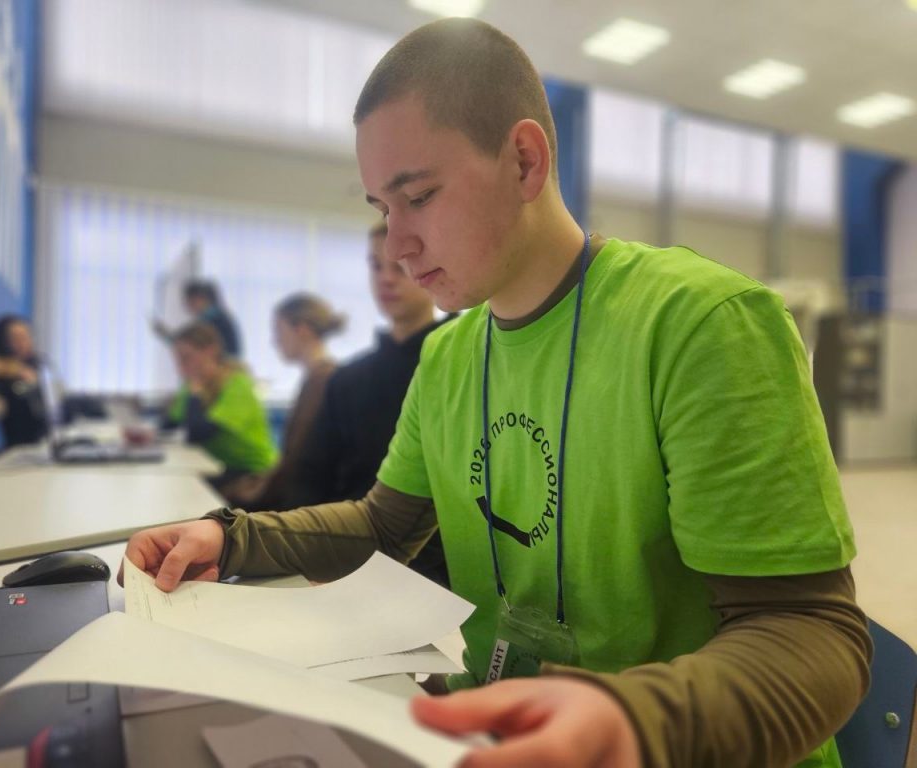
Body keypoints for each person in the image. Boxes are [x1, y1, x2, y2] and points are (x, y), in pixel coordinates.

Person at [124, 18, 870, 768]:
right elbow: (384, 525)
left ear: (524, 161)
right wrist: (235, 538)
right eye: (383, 210)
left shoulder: (700, 324)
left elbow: (813, 635)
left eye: (419, 196)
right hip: (486, 734)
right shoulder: (448, 354)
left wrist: (635, 723)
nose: (397, 246)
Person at [286, 221, 454, 585]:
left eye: (399, 265)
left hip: (434, 576)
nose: (386, 279)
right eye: (376, 266)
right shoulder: (347, 379)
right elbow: (313, 480)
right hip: (342, 557)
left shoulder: (460, 366)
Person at [225, 292, 345, 510]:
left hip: (303, 505)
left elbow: (296, 461)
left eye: (279, 331)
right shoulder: (320, 376)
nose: (275, 341)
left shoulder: (321, 380)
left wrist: (249, 493)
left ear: (302, 330)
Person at [164, 323, 277, 480]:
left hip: (253, 473)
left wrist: (195, 393)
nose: (180, 368)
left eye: (186, 358)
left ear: (211, 351)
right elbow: (169, 424)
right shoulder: (193, 383)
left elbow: (197, 433)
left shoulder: (237, 385)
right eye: (177, 360)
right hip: (219, 466)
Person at [0, 314, 48, 447]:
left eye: (27, 336)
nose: (24, 343)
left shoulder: (37, 364)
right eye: (17, 339)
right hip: (18, 446)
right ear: (4, 343)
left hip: (45, 440)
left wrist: (19, 371)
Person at [153, 279, 243, 359]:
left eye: (190, 302)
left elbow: (188, 343)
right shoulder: (215, 316)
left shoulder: (212, 319)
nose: (189, 307)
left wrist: (168, 337)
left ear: (201, 298)